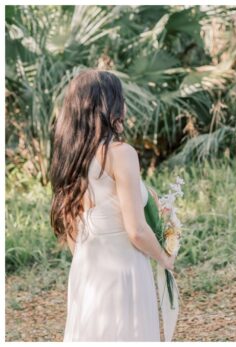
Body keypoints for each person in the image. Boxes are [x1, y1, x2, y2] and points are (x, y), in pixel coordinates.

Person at [53, 69, 174, 341]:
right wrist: (165, 258)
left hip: (86, 271)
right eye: (122, 98)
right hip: (124, 272)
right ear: (108, 106)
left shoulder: (71, 158)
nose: (126, 105)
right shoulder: (120, 154)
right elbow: (136, 230)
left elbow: (73, 233)